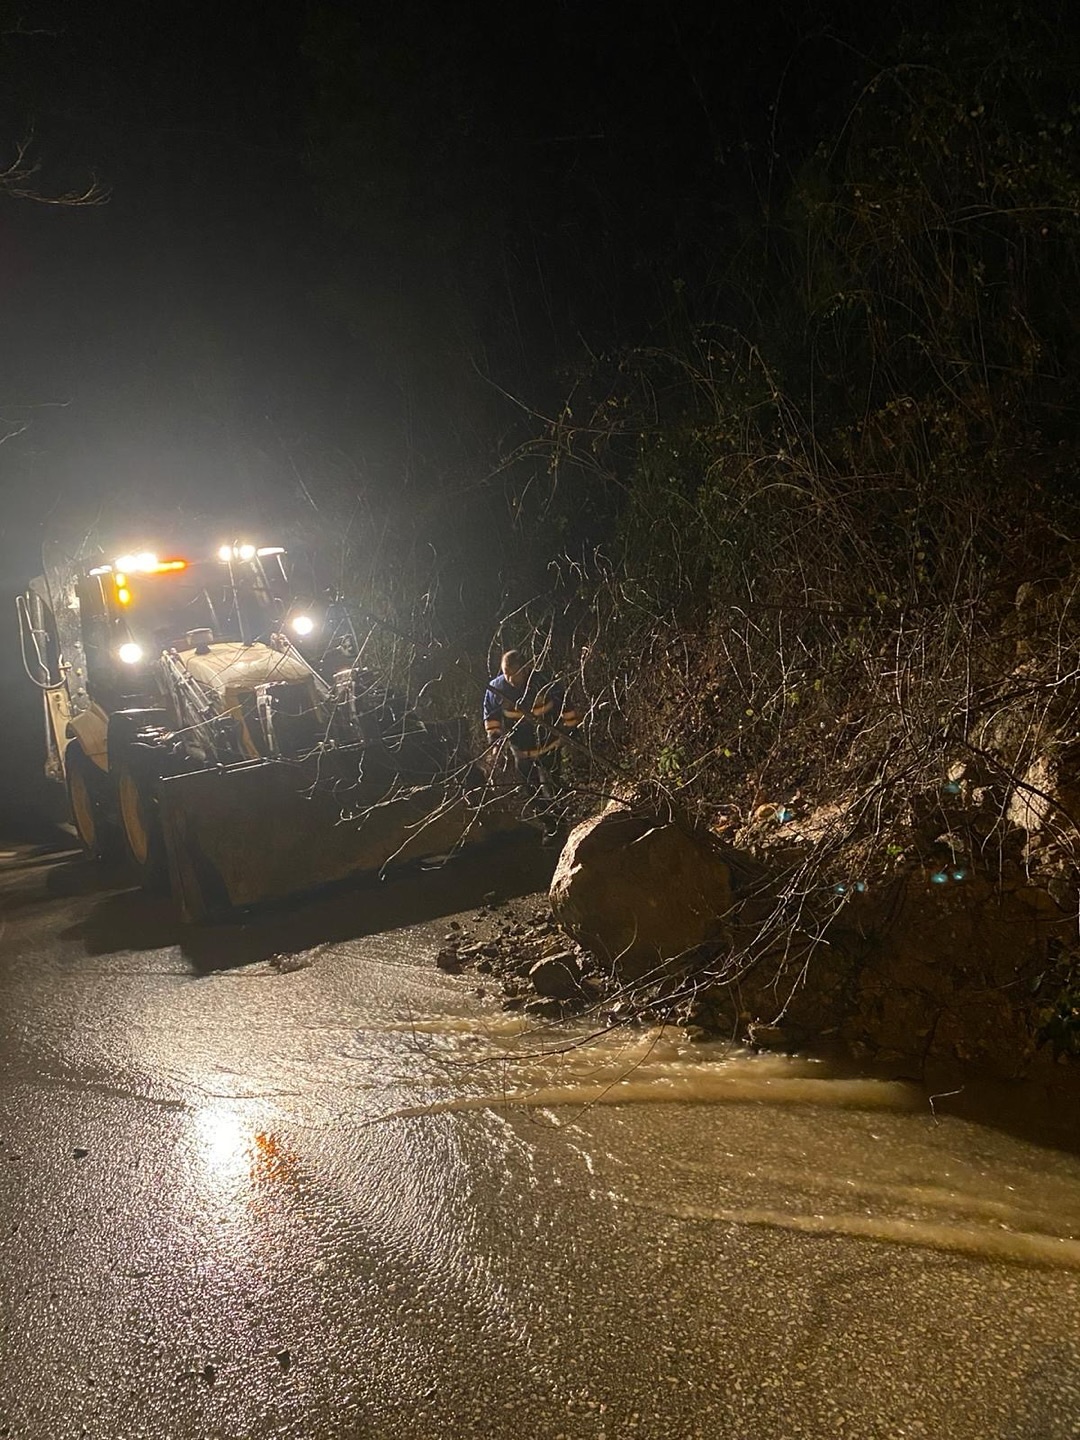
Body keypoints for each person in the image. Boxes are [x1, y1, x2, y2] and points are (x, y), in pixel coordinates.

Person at [482, 649, 581, 840]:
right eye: (506, 673)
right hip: (521, 750)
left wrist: (572, 728)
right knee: (532, 791)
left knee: (553, 785)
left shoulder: (543, 681)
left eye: (514, 674)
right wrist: (495, 742)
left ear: (526, 669)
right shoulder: (496, 689)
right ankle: (549, 826)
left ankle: (563, 823)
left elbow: (564, 704)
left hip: (548, 745)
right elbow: (491, 717)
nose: (510, 679)